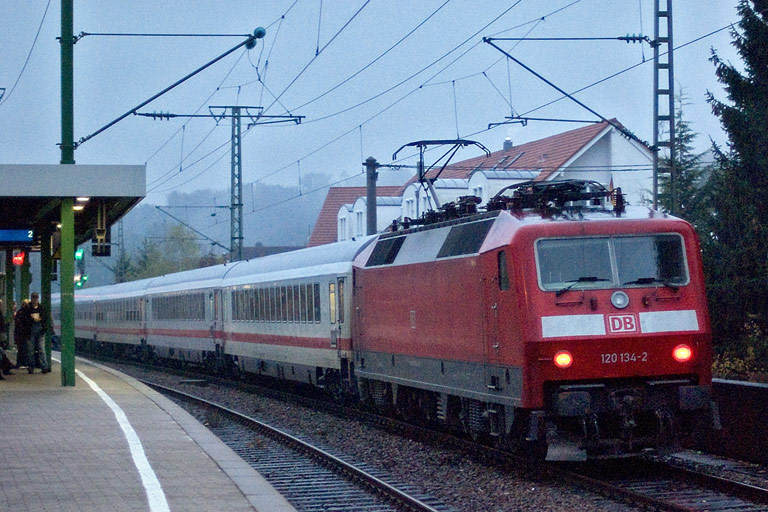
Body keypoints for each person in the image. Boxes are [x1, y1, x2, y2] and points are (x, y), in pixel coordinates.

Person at [22, 293, 50, 374]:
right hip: (30, 331)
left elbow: (45, 318)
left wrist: (41, 322)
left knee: (41, 349)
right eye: (33, 298)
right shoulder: (27, 309)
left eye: (36, 298)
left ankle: (44, 366)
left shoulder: (41, 308)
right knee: (31, 350)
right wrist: (32, 319)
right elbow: (24, 319)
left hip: (40, 331)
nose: (35, 299)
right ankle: (31, 367)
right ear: (31, 298)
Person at [14, 300, 30, 369]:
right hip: (24, 334)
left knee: (20, 349)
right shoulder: (27, 313)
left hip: (19, 333)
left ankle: (20, 362)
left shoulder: (19, 312)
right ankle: (24, 362)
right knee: (24, 349)